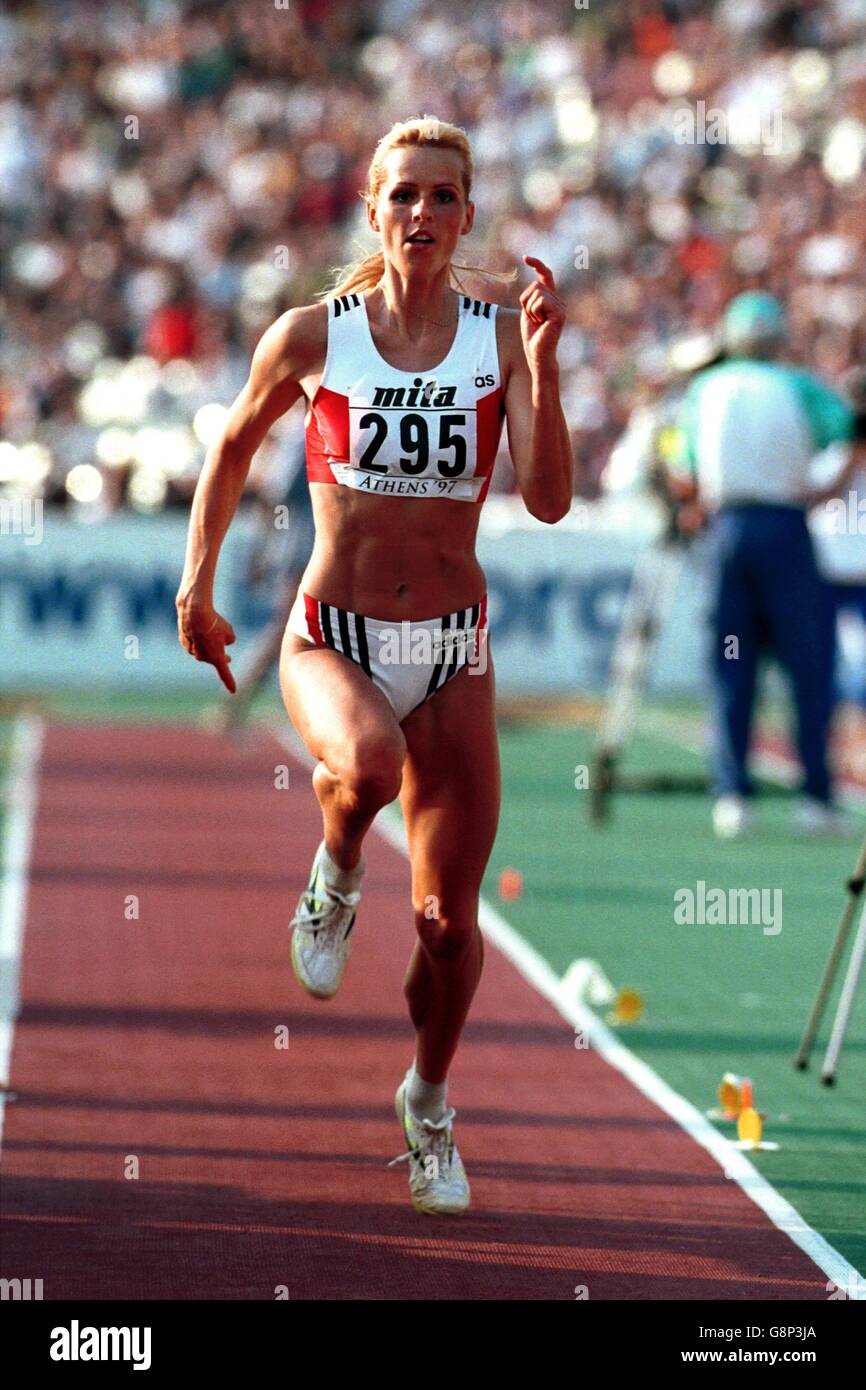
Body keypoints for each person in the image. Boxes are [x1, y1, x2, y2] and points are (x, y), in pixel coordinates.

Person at [175, 115, 572, 1215]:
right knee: (366, 760)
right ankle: (336, 864)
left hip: (453, 651)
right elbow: (233, 442)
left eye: (443, 197)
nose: (422, 216)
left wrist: (540, 363)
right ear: (372, 211)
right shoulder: (313, 334)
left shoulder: (497, 336)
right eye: (403, 195)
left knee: (447, 930)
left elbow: (543, 498)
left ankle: (427, 1105)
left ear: (466, 215)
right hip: (332, 635)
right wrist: (196, 581)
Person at [674, 291, 866, 839]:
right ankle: (815, 798)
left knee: (733, 667)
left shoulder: (704, 392)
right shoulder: (797, 386)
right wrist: (821, 486)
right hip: (785, 530)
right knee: (809, 667)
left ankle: (733, 795)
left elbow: (682, 466)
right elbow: (847, 430)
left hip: (728, 532)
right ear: (777, 339)